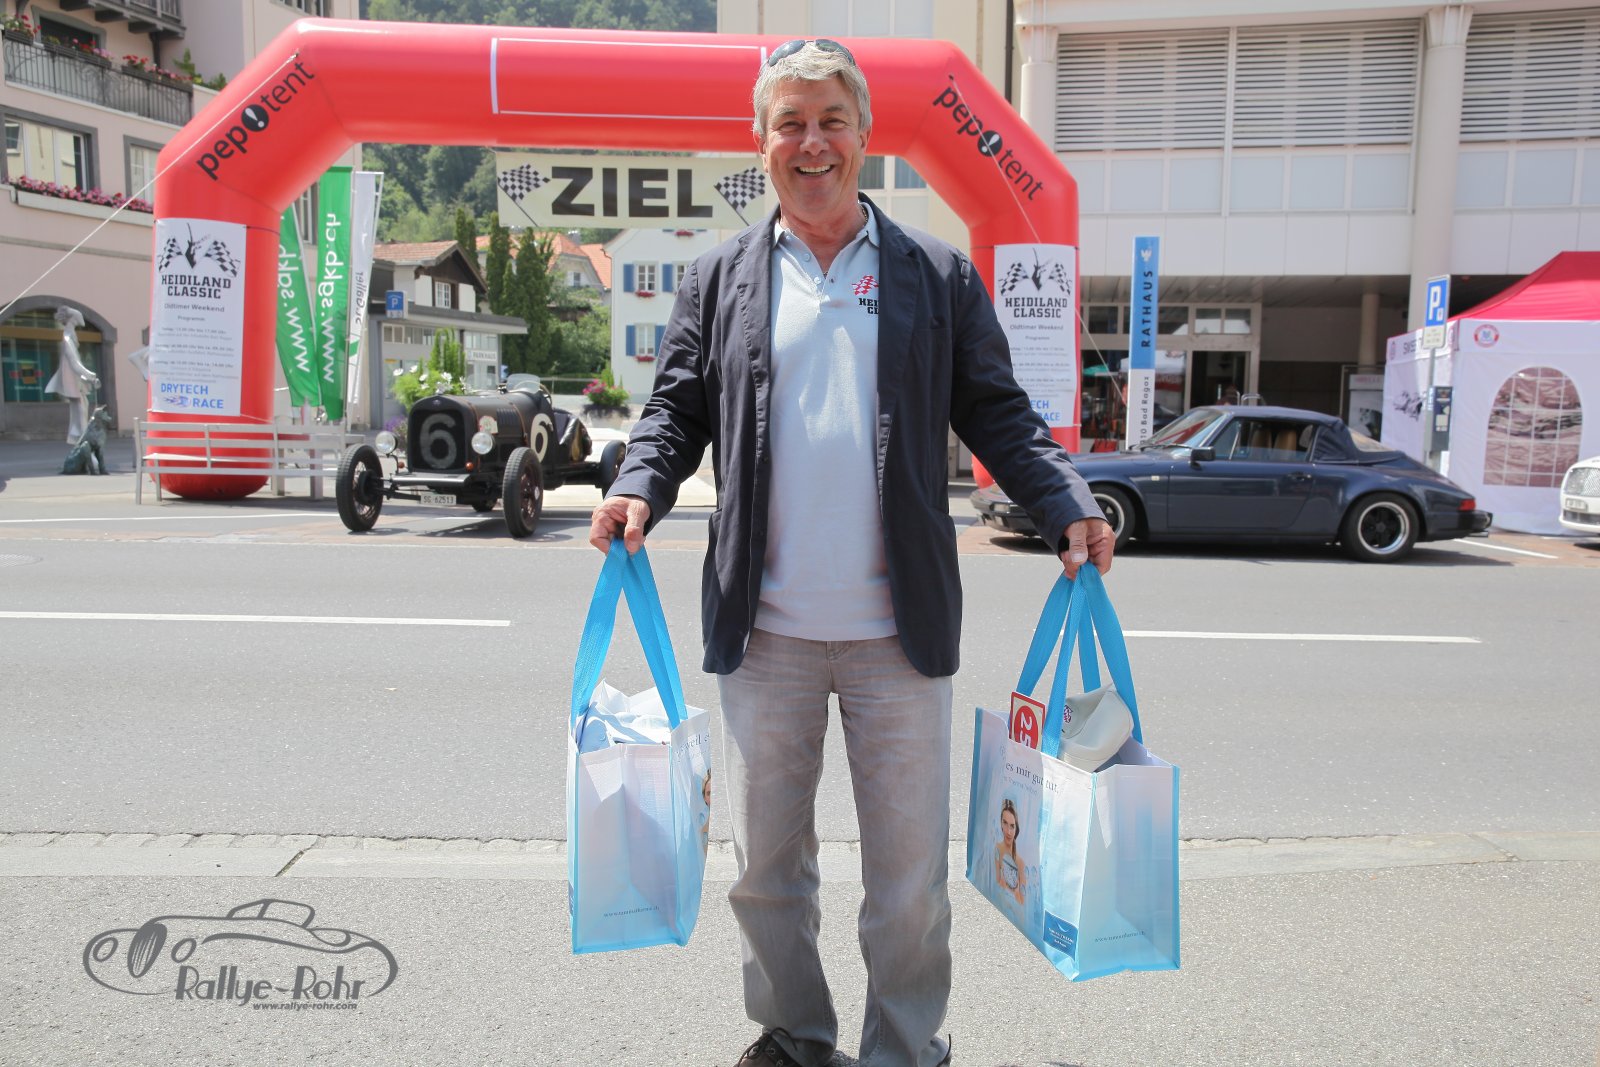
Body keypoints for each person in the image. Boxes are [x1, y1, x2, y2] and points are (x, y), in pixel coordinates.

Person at [589, 38, 1112, 1067]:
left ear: (865, 136)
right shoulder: (719, 277)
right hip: (765, 632)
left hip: (895, 635)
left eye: (831, 120)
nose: (812, 142)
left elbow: (998, 413)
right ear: (762, 142)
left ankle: (903, 1047)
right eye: (790, 122)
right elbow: (675, 411)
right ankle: (794, 1034)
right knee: (765, 873)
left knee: (907, 880)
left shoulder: (935, 274)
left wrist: (1064, 501)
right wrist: (636, 485)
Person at [45, 306, 100, 443]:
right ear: (73, 319)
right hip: (71, 376)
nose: (81, 318)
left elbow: (75, 362)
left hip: (74, 375)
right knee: (80, 404)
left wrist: (86, 375)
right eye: (78, 315)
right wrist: (89, 375)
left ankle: (79, 435)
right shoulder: (68, 337)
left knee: (82, 404)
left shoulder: (70, 335)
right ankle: (82, 436)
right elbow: (74, 362)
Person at [994, 798, 1028, 912]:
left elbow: (1022, 905)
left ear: (1016, 828)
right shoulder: (998, 849)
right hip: (999, 906)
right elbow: (996, 882)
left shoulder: (1020, 863)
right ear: (1001, 823)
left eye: (1012, 826)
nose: (1008, 831)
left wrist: (1015, 891)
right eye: (1005, 823)